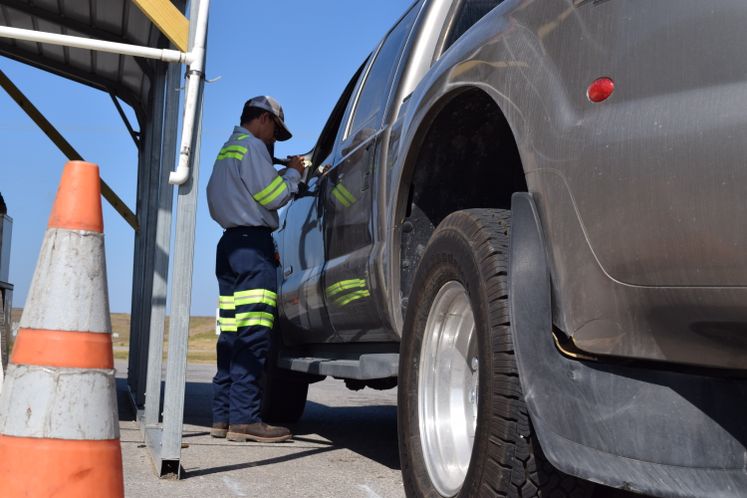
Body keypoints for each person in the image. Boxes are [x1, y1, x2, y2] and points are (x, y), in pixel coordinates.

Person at [206, 96, 305, 442]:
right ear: (263, 119)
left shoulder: (229, 149)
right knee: (254, 333)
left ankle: (224, 417)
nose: (274, 140)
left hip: (229, 246)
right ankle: (246, 420)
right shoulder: (252, 148)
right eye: (275, 131)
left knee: (231, 334)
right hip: (252, 249)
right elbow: (274, 196)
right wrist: (294, 173)